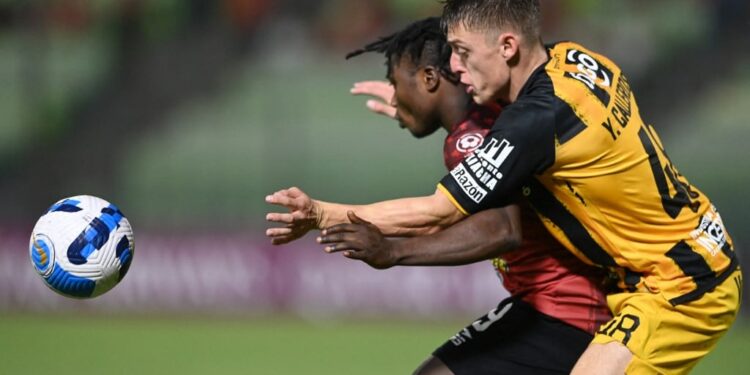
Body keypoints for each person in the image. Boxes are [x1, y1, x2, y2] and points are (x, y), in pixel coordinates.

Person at [267, 1, 742, 374]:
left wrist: (321, 215)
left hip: (681, 283)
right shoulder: (578, 61)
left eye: (464, 53)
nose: (455, 66)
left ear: (508, 46)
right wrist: (422, 103)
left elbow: (439, 211)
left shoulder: (533, 121)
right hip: (680, 254)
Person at [343, 17, 611, 374]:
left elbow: (501, 229)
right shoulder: (497, 112)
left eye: (396, 84)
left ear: (429, 78)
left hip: (565, 312)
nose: (394, 95)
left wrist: (393, 250)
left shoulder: (468, 140)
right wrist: (412, 108)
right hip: (562, 306)